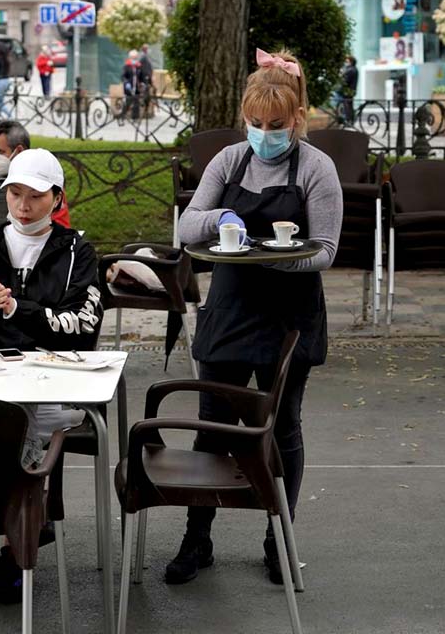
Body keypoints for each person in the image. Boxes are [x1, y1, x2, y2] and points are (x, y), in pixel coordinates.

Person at [173, 48, 342, 586]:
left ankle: (280, 543)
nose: (263, 133)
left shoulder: (317, 167)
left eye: (275, 125)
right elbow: (187, 227)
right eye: (254, 123)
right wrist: (218, 216)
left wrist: (272, 256)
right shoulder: (229, 160)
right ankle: (197, 538)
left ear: (296, 119)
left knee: (281, 430)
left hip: (288, 317)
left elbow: (326, 250)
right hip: (229, 312)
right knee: (211, 430)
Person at [0, 148, 103, 604]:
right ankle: (24, 524)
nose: (23, 205)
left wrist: (14, 309)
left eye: (35, 196)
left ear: (57, 198)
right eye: (14, 193)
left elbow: (83, 324)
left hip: (52, 378)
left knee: (24, 423)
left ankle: (14, 545)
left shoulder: (77, 250)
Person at [121, 49, 143, 120]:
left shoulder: (138, 66)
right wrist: (126, 83)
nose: (134, 59)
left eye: (135, 57)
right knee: (128, 102)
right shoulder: (126, 66)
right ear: (130, 57)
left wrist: (143, 83)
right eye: (133, 57)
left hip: (136, 87)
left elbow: (141, 76)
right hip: (129, 88)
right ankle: (123, 115)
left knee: (136, 103)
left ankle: (135, 117)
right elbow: (123, 76)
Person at [340, 55, 358, 126]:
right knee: (349, 106)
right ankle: (350, 120)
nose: (345, 63)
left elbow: (346, 81)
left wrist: (342, 75)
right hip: (351, 91)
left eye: (347, 61)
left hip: (348, 91)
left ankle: (349, 121)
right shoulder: (354, 69)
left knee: (347, 106)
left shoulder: (351, 70)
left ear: (351, 62)